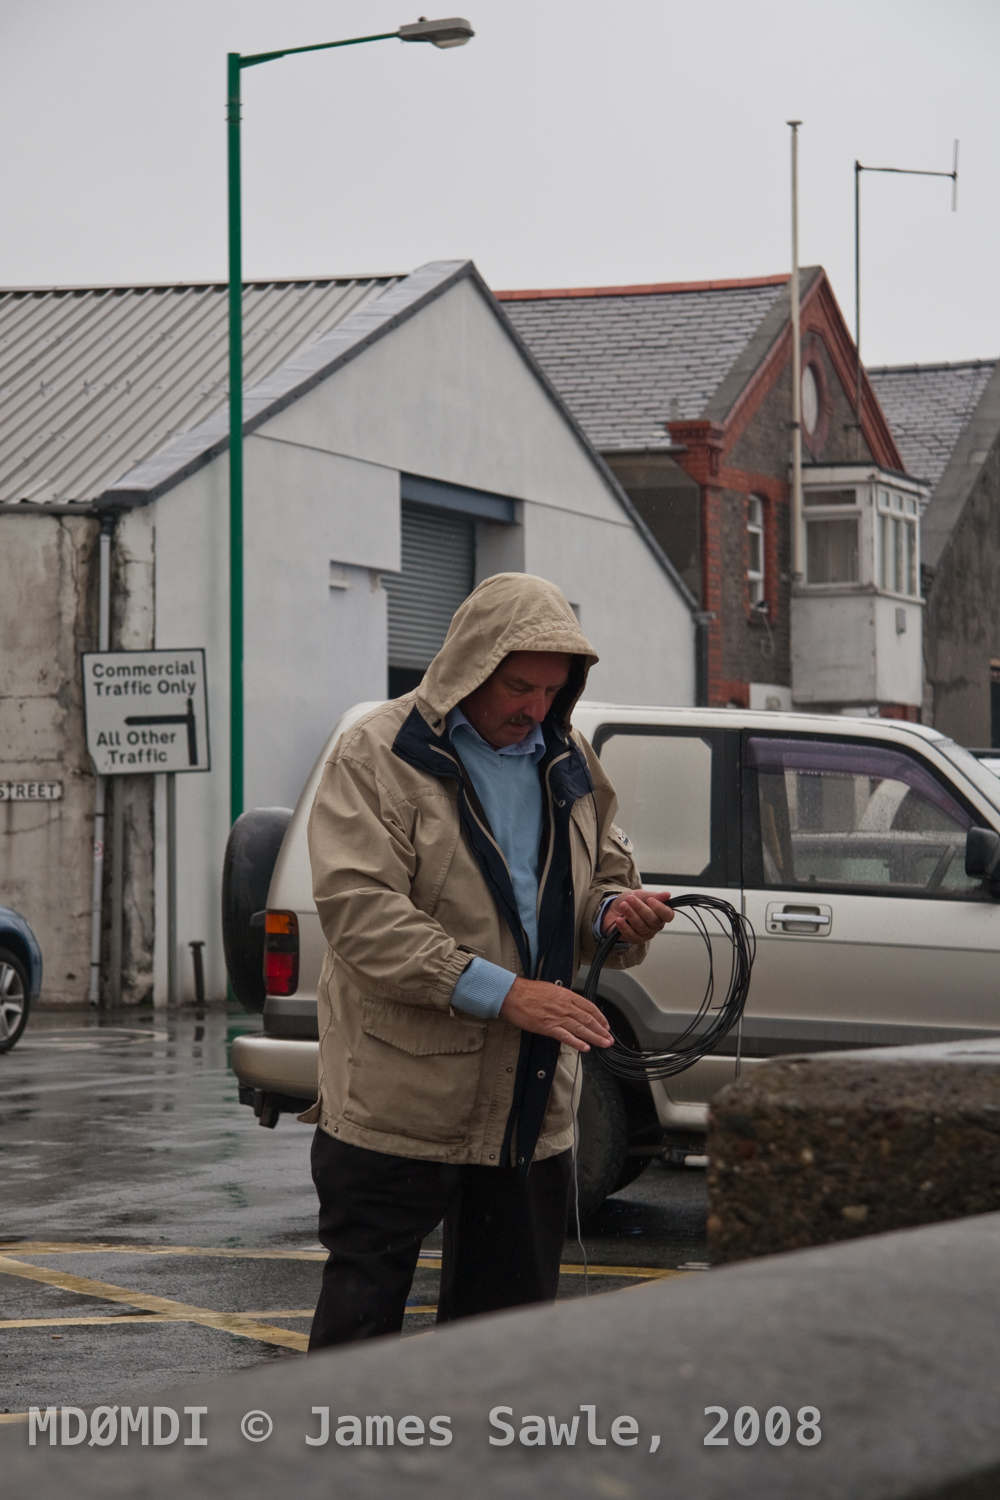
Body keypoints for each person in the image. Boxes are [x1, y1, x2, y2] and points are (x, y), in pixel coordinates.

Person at [305, 572, 672, 1348]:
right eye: (517, 685)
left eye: (552, 689)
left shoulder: (568, 757)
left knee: (500, 1347)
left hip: (528, 1108)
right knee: (356, 1341)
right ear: (468, 663)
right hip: (396, 1101)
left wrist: (616, 913)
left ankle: (478, 1472)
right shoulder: (374, 752)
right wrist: (507, 994)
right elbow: (361, 916)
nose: (534, 708)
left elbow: (601, 877)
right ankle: (332, 1470)